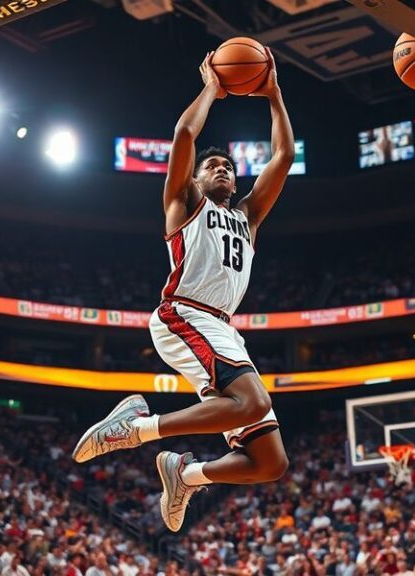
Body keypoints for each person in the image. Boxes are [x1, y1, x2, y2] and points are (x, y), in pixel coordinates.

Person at [73, 47, 295, 533]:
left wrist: (274, 95)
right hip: (183, 314)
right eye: (212, 165)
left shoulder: (248, 218)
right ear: (193, 179)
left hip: (222, 331)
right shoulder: (184, 204)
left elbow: (283, 156)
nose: (222, 169)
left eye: (228, 168)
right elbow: (185, 134)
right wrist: (213, 89)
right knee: (254, 403)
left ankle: (186, 473)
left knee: (269, 461)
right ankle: (134, 429)